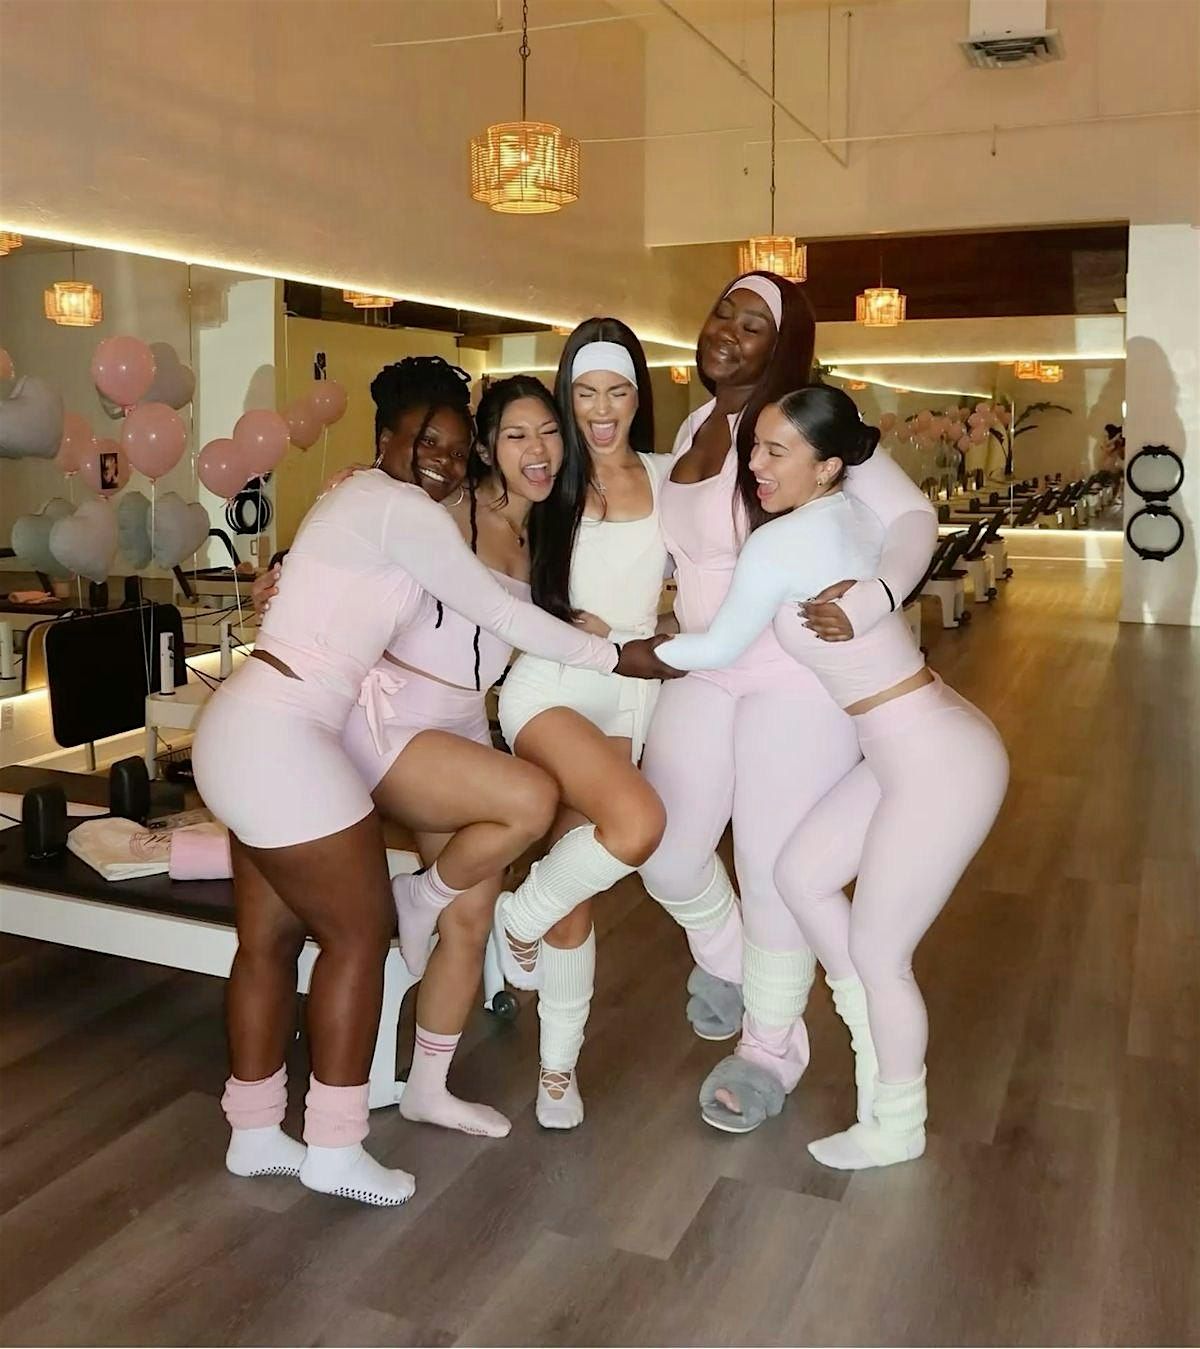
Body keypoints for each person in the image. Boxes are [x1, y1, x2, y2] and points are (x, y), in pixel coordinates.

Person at [193, 356, 671, 1207]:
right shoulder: (410, 506)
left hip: (270, 723)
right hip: (308, 728)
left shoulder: (418, 505)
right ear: (392, 439)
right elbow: (496, 611)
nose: (444, 460)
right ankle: (336, 1143)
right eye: (432, 444)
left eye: (452, 445)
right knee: (362, 933)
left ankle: (260, 1126)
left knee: (277, 941)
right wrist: (617, 655)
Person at [656, 385, 1009, 1166]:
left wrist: (618, 649)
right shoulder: (854, 513)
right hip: (906, 746)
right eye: (755, 446)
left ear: (826, 466)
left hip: (938, 762)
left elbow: (714, 648)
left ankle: (897, 1121)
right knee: (799, 875)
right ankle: (870, 1050)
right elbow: (908, 521)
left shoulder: (781, 543)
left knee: (882, 955)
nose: (754, 463)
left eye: (775, 450)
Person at [251, 369, 571, 1141]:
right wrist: (285, 568)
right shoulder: (444, 504)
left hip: (463, 723)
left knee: (473, 913)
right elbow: (354, 539)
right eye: (516, 435)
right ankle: (418, 895)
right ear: (487, 448)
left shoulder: (553, 532)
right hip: (392, 717)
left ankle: (428, 1085)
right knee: (532, 801)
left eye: (549, 434)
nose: (536, 451)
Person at [638, 272, 938, 1093]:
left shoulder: (799, 423)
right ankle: (733, 962)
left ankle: (771, 1045)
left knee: (772, 870)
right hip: (705, 663)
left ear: (784, 345)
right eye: (721, 312)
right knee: (665, 851)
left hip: (793, 673)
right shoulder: (695, 424)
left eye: (752, 324)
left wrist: (877, 595)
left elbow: (914, 518)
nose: (726, 331)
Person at [492, 319, 670, 1129]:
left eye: (618, 391)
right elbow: (459, 523)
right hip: (553, 684)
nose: (601, 410)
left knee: (577, 880)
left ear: (638, 395)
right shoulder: (546, 476)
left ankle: (557, 1070)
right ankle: (518, 914)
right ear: (567, 397)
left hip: (628, 694)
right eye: (586, 393)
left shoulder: (668, 479)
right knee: (636, 824)